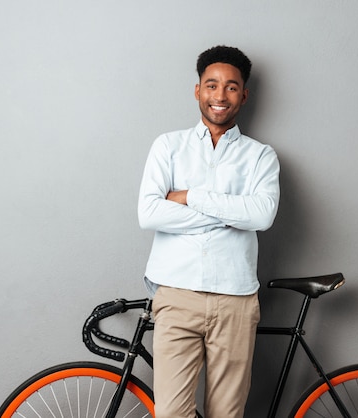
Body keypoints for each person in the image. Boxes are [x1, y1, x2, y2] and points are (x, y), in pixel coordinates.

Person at [137, 45, 280, 418]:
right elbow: (150, 213)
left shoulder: (260, 156)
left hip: (235, 297)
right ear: (197, 90)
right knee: (171, 413)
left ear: (244, 95)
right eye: (211, 85)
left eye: (231, 87)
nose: (220, 95)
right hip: (176, 294)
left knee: (227, 414)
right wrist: (231, 212)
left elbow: (262, 216)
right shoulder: (168, 146)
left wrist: (190, 197)